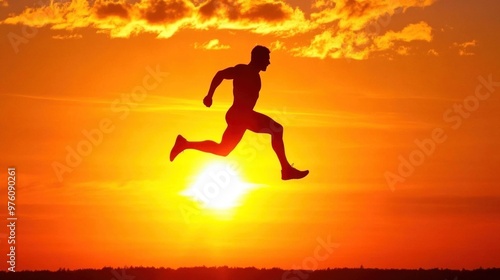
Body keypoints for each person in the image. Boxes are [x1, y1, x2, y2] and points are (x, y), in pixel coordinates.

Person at [170, 45, 309, 180]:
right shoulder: (243, 70)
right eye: (266, 58)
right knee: (277, 129)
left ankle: (185, 144)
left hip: (241, 117)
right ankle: (286, 170)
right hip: (241, 115)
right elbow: (221, 74)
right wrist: (209, 95)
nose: (269, 62)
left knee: (223, 150)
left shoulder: (255, 75)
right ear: (258, 58)